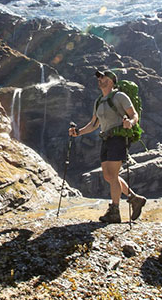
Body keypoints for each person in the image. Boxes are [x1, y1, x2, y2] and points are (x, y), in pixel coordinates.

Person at [68, 69, 147, 223]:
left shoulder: (120, 96)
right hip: (106, 139)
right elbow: (93, 124)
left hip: (118, 137)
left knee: (112, 174)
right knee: (109, 176)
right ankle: (134, 199)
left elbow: (134, 114)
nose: (99, 79)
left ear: (111, 81)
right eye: (98, 77)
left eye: (102, 77)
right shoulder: (98, 101)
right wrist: (79, 132)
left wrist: (130, 123)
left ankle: (115, 211)